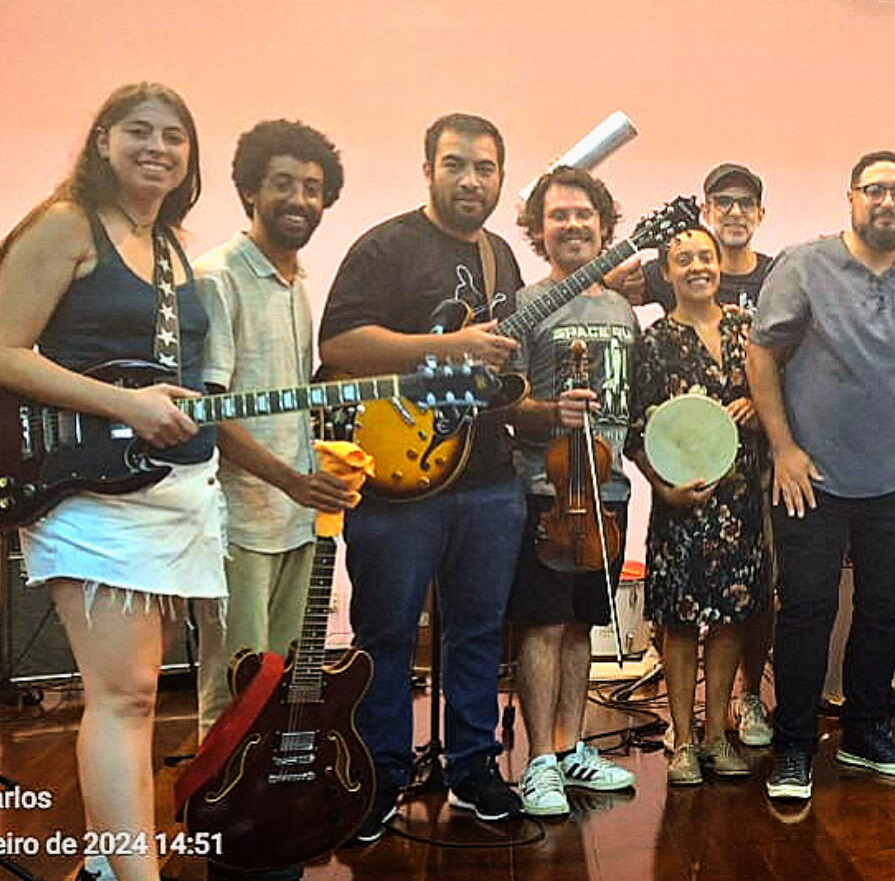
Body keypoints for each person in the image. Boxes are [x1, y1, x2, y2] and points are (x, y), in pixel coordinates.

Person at [0, 82, 213, 881]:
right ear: (101, 141)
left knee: (139, 689)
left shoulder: (172, 243)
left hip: (149, 487)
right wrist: (124, 401)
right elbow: (4, 349)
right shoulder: (65, 226)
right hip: (72, 482)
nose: (158, 147)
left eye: (175, 137)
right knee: (123, 694)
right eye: (138, 131)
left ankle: (100, 861)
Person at [318, 113, 543, 840]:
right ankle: (379, 774)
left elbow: (489, 366)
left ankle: (474, 764)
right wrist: (443, 348)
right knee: (384, 634)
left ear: (502, 176)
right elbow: (341, 344)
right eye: (455, 165)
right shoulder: (386, 246)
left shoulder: (501, 256)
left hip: (484, 475)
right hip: (395, 480)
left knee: (478, 630)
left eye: (484, 168)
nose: (470, 179)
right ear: (427, 170)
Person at [747, 150, 895, 802]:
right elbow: (761, 353)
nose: (888, 201)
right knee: (808, 610)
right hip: (810, 476)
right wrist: (782, 448)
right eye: (876, 189)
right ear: (851, 196)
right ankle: (793, 745)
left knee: (884, 609)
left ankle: (869, 732)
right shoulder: (805, 266)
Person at [192, 120, 353, 742]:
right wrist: (293, 480)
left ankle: (273, 817)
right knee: (233, 685)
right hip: (240, 521)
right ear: (250, 192)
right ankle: (217, 825)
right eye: (283, 184)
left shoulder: (298, 282)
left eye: (313, 188)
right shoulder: (218, 276)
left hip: (298, 518)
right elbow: (211, 413)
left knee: (287, 683)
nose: (300, 200)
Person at [505, 166, 640, 816]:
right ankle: (537, 762)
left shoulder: (620, 309)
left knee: (582, 624)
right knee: (543, 624)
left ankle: (572, 747)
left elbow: (634, 405)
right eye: (558, 215)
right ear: (539, 229)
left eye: (584, 214)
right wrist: (546, 412)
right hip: (545, 489)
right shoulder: (528, 306)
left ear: (603, 225)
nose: (573, 224)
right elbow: (505, 403)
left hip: (608, 492)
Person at [631, 225, 771, 786]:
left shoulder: (749, 330)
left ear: (720, 266)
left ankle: (717, 735)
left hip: (740, 497)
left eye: (705, 256)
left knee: (734, 618)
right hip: (680, 501)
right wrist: (662, 489)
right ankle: (683, 740)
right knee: (681, 624)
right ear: (666, 273)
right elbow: (637, 430)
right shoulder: (655, 341)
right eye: (682, 258)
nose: (696, 266)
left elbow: (779, 397)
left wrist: (756, 405)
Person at [634, 163, 773, 316]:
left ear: (760, 215)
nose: (735, 212)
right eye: (723, 202)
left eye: (746, 203)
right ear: (705, 213)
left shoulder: (777, 276)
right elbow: (611, 293)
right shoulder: (677, 269)